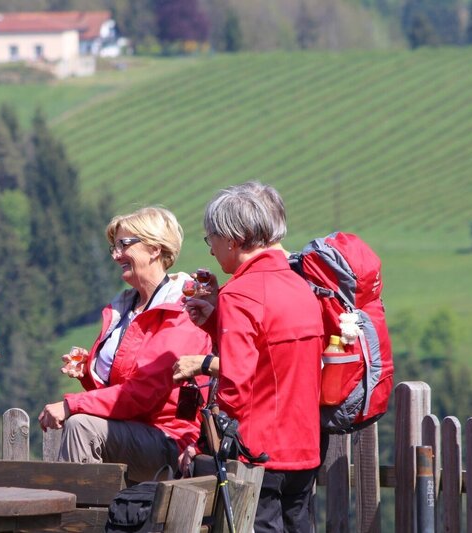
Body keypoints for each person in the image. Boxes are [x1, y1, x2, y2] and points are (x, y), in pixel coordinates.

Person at [172, 182, 325, 532]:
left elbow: (236, 388)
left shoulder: (240, 295)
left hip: (257, 454)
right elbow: (275, 357)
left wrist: (203, 443)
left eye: (210, 238)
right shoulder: (300, 286)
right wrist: (215, 322)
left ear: (232, 239)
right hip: (303, 449)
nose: (210, 250)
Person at [37, 206, 212, 484]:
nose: (117, 255)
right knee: (82, 423)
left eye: (124, 245)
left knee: (81, 426)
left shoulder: (182, 311)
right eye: (114, 247)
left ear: (155, 249)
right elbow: (119, 391)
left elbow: (143, 393)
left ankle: (80, 521)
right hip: (133, 431)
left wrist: (73, 405)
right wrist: (89, 372)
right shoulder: (125, 309)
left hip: (169, 438)